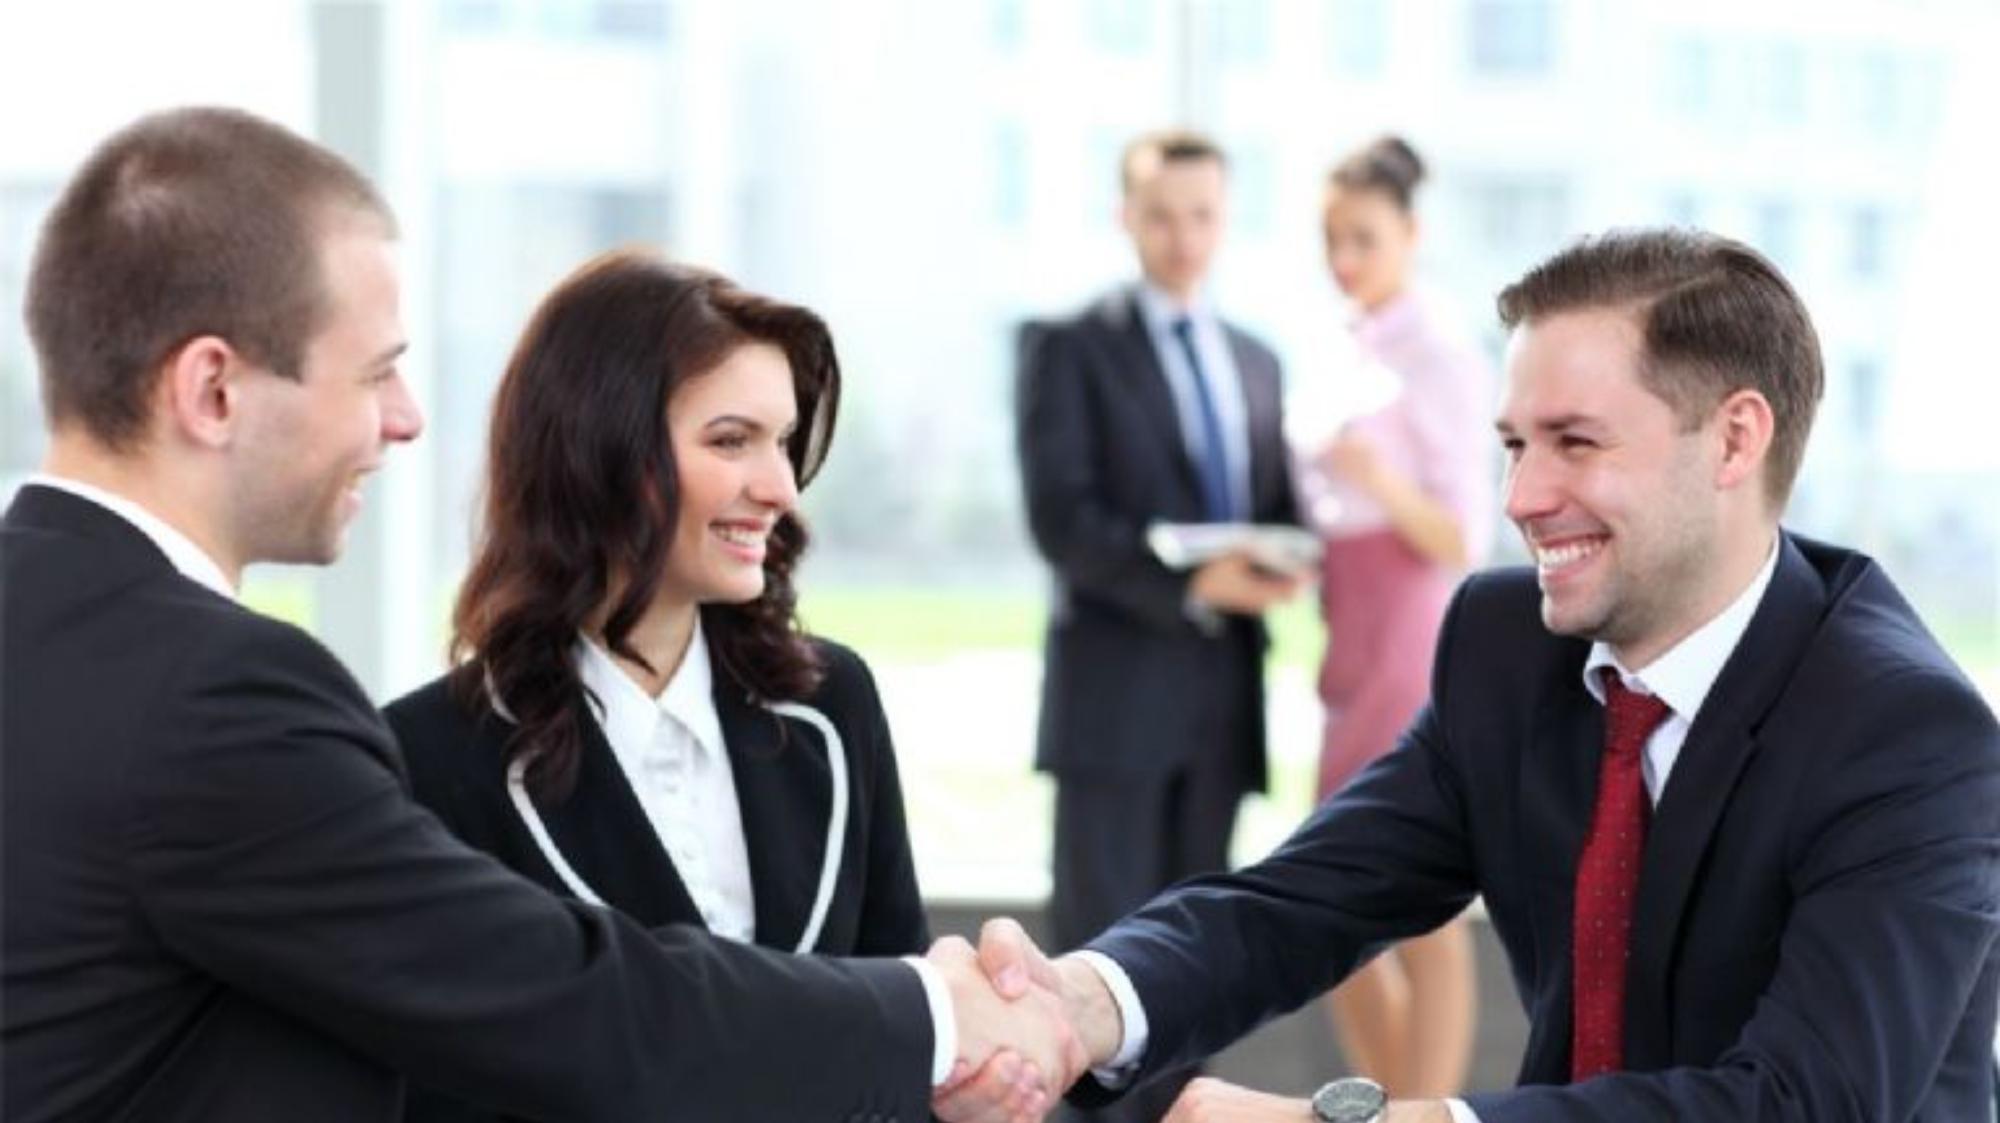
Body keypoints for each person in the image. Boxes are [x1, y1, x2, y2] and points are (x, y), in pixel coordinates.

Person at [0, 106, 1076, 1123]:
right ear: (213, 391)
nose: (408, 420)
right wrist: (931, 1010)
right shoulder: (223, 698)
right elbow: (573, 1005)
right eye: (375, 373)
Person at [963, 227, 2000, 1122]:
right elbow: (1296, 902)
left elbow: (1800, 1104)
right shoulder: (1507, 646)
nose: (1520, 496)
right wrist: (1079, 1003)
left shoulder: (1906, 736)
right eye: (1511, 444)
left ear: (1733, 438)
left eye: (1572, 443)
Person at [385, 250, 930, 1122]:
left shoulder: (835, 704)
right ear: (600, 447)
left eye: (784, 442)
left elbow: (904, 1026)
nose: (780, 487)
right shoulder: (429, 759)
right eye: (731, 440)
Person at [1014, 127, 1303, 1123]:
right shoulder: (1069, 345)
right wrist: (1189, 585)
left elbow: (1275, 504)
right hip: (1113, 705)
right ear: (1124, 216)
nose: (1183, 237)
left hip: (1221, 705)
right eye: (1161, 214)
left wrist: (1278, 561)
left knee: (1201, 961)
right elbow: (1063, 522)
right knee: (1096, 962)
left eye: (1201, 215)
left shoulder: (1257, 360)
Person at [1298, 136, 1490, 1100]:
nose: (1344, 259)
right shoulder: (1339, 344)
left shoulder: (1441, 354)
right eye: (1331, 238)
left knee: (1420, 901)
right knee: (1334, 903)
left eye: (1364, 238)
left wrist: (1374, 476)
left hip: (1410, 633)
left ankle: (1424, 1111)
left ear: (1411, 235)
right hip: (1347, 628)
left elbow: (1463, 534)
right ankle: (1399, 1106)